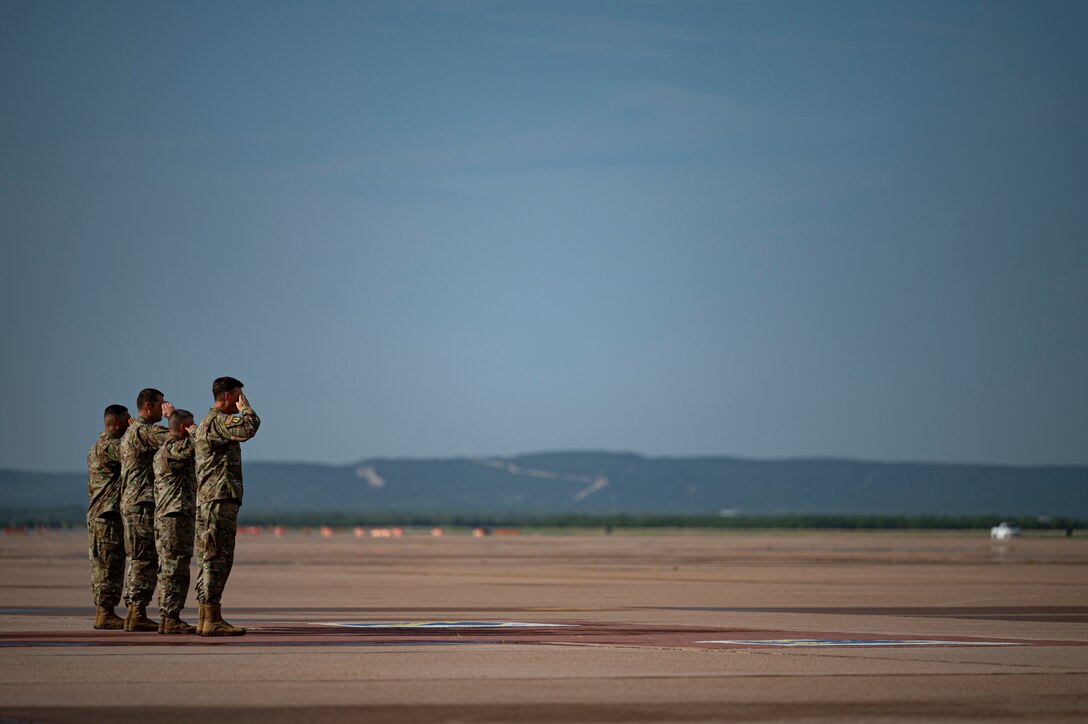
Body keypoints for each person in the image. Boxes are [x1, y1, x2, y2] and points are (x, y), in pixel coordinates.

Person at [194, 376, 260, 636]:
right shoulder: (218, 421)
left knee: (211, 557)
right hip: (217, 499)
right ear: (230, 396)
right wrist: (247, 410)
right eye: (239, 395)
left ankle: (205, 616)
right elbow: (248, 429)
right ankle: (211, 618)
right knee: (216, 558)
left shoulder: (209, 422)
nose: (242, 399)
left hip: (214, 498)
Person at [119, 388, 174, 631]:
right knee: (144, 558)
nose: (164, 408)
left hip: (135, 502)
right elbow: (175, 436)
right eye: (161, 404)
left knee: (139, 558)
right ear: (149, 406)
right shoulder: (144, 430)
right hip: (141, 503)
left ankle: (134, 612)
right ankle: (136, 612)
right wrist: (174, 417)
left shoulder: (134, 430)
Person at [152, 409, 198, 634]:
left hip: (172, 516)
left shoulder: (167, 448)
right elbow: (199, 444)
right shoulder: (173, 448)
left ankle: (168, 617)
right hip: (174, 517)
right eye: (189, 426)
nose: (193, 428)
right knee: (174, 569)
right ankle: (170, 617)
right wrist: (196, 432)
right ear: (182, 429)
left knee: (172, 567)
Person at [86, 404, 131, 629]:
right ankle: (105, 613)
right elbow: (131, 452)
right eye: (126, 420)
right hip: (107, 514)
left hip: (100, 513)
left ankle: (104, 612)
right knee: (109, 564)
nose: (129, 423)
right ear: (116, 423)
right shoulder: (110, 447)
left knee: (104, 563)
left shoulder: (95, 447)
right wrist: (137, 430)